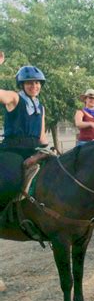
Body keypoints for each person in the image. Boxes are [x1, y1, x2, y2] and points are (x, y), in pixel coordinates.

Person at [0, 51, 48, 209]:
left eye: (37, 83)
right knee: (11, 180)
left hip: (34, 149)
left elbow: (42, 137)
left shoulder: (41, 107)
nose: (34, 86)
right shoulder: (14, 98)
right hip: (13, 150)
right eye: (29, 83)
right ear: (22, 85)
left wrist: (47, 150)